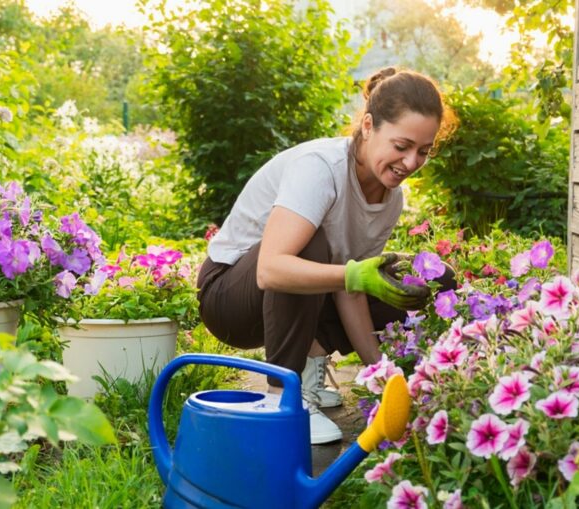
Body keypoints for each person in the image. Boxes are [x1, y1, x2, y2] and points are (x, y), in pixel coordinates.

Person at [196, 67, 457, 444]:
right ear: (368, 126)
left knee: (426, 277)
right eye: (401, 147)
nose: (412, 162)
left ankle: (310, 363)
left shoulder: (390, 197)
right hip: (230, 298)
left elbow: (350, 285)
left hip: (288, 302)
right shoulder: (321, 168)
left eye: (423, 151)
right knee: (311, 246)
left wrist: (382, 376)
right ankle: (284, 398)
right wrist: (352, 275)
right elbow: (271, 270)